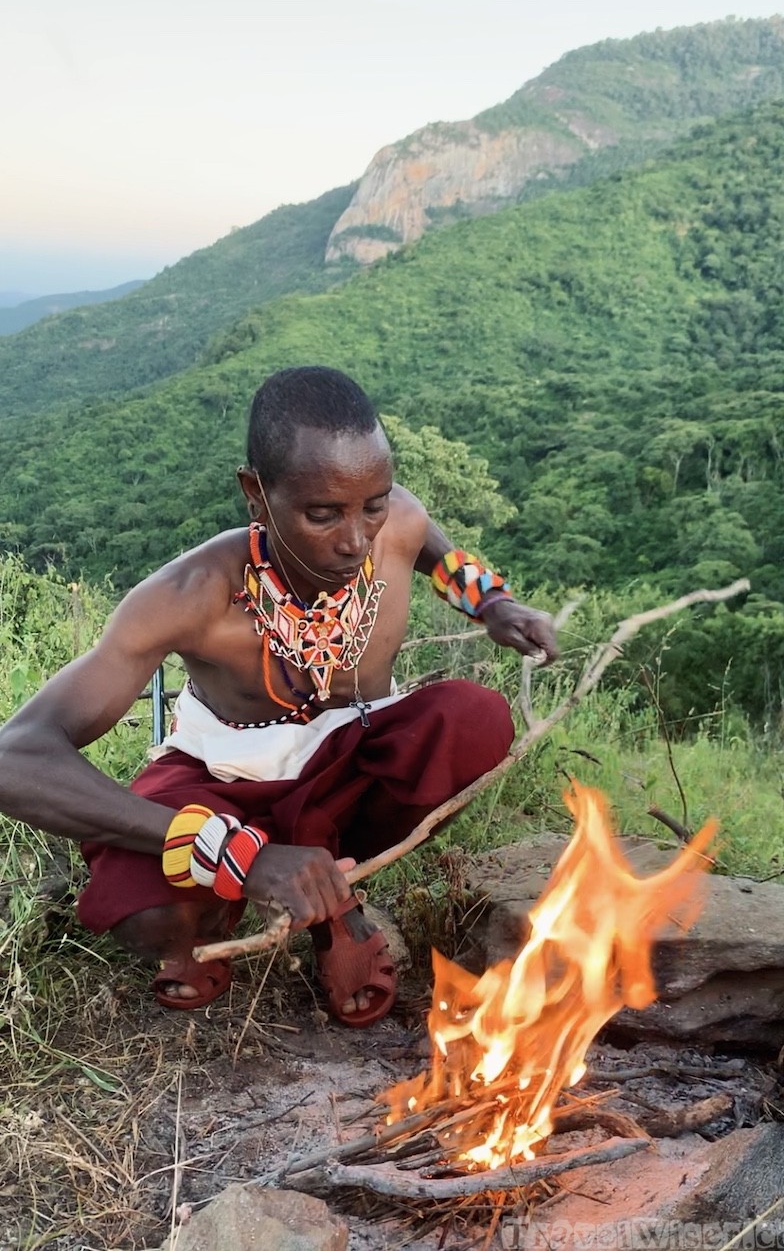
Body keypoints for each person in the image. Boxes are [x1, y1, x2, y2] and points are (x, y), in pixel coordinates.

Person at [0, 367, 557, 1026]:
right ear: (255, 495)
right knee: (156, 918)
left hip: (348, 764)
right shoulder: (190, 595)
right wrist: (244, 856)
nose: (356, 540)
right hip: (224, 785)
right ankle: (224, 914)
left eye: (371, 503)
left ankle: (336, 888)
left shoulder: (393, 520)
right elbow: (16, 757)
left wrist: (490, 600)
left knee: (473, 720)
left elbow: (426, 538)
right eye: (323, 513)